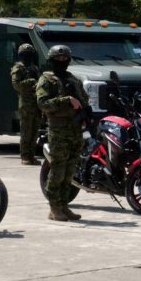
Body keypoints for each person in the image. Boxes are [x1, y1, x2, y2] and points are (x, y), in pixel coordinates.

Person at [36, 45, 88, 222]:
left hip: (75, 130)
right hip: (58, 130)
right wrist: (66, 101)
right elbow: (43, 103)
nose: (62, 62)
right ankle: (54, 207)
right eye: (58, 59)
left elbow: (84, 100)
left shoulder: (73, 79)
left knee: (70, 170)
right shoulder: (46, 80)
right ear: (51, 61)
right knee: (58, 169)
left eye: (64, 59)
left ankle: (64, 205)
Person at [11, 43, 42, 165]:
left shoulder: (34, 68)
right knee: (26, 131)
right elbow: (16, 85)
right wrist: (31, 81)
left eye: (30, 54)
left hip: (36, 103)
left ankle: (32, 155)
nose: (28, 57)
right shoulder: (18, 68)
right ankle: (25, 156)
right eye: (26, 54)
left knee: (35, 131)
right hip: (26, 104)